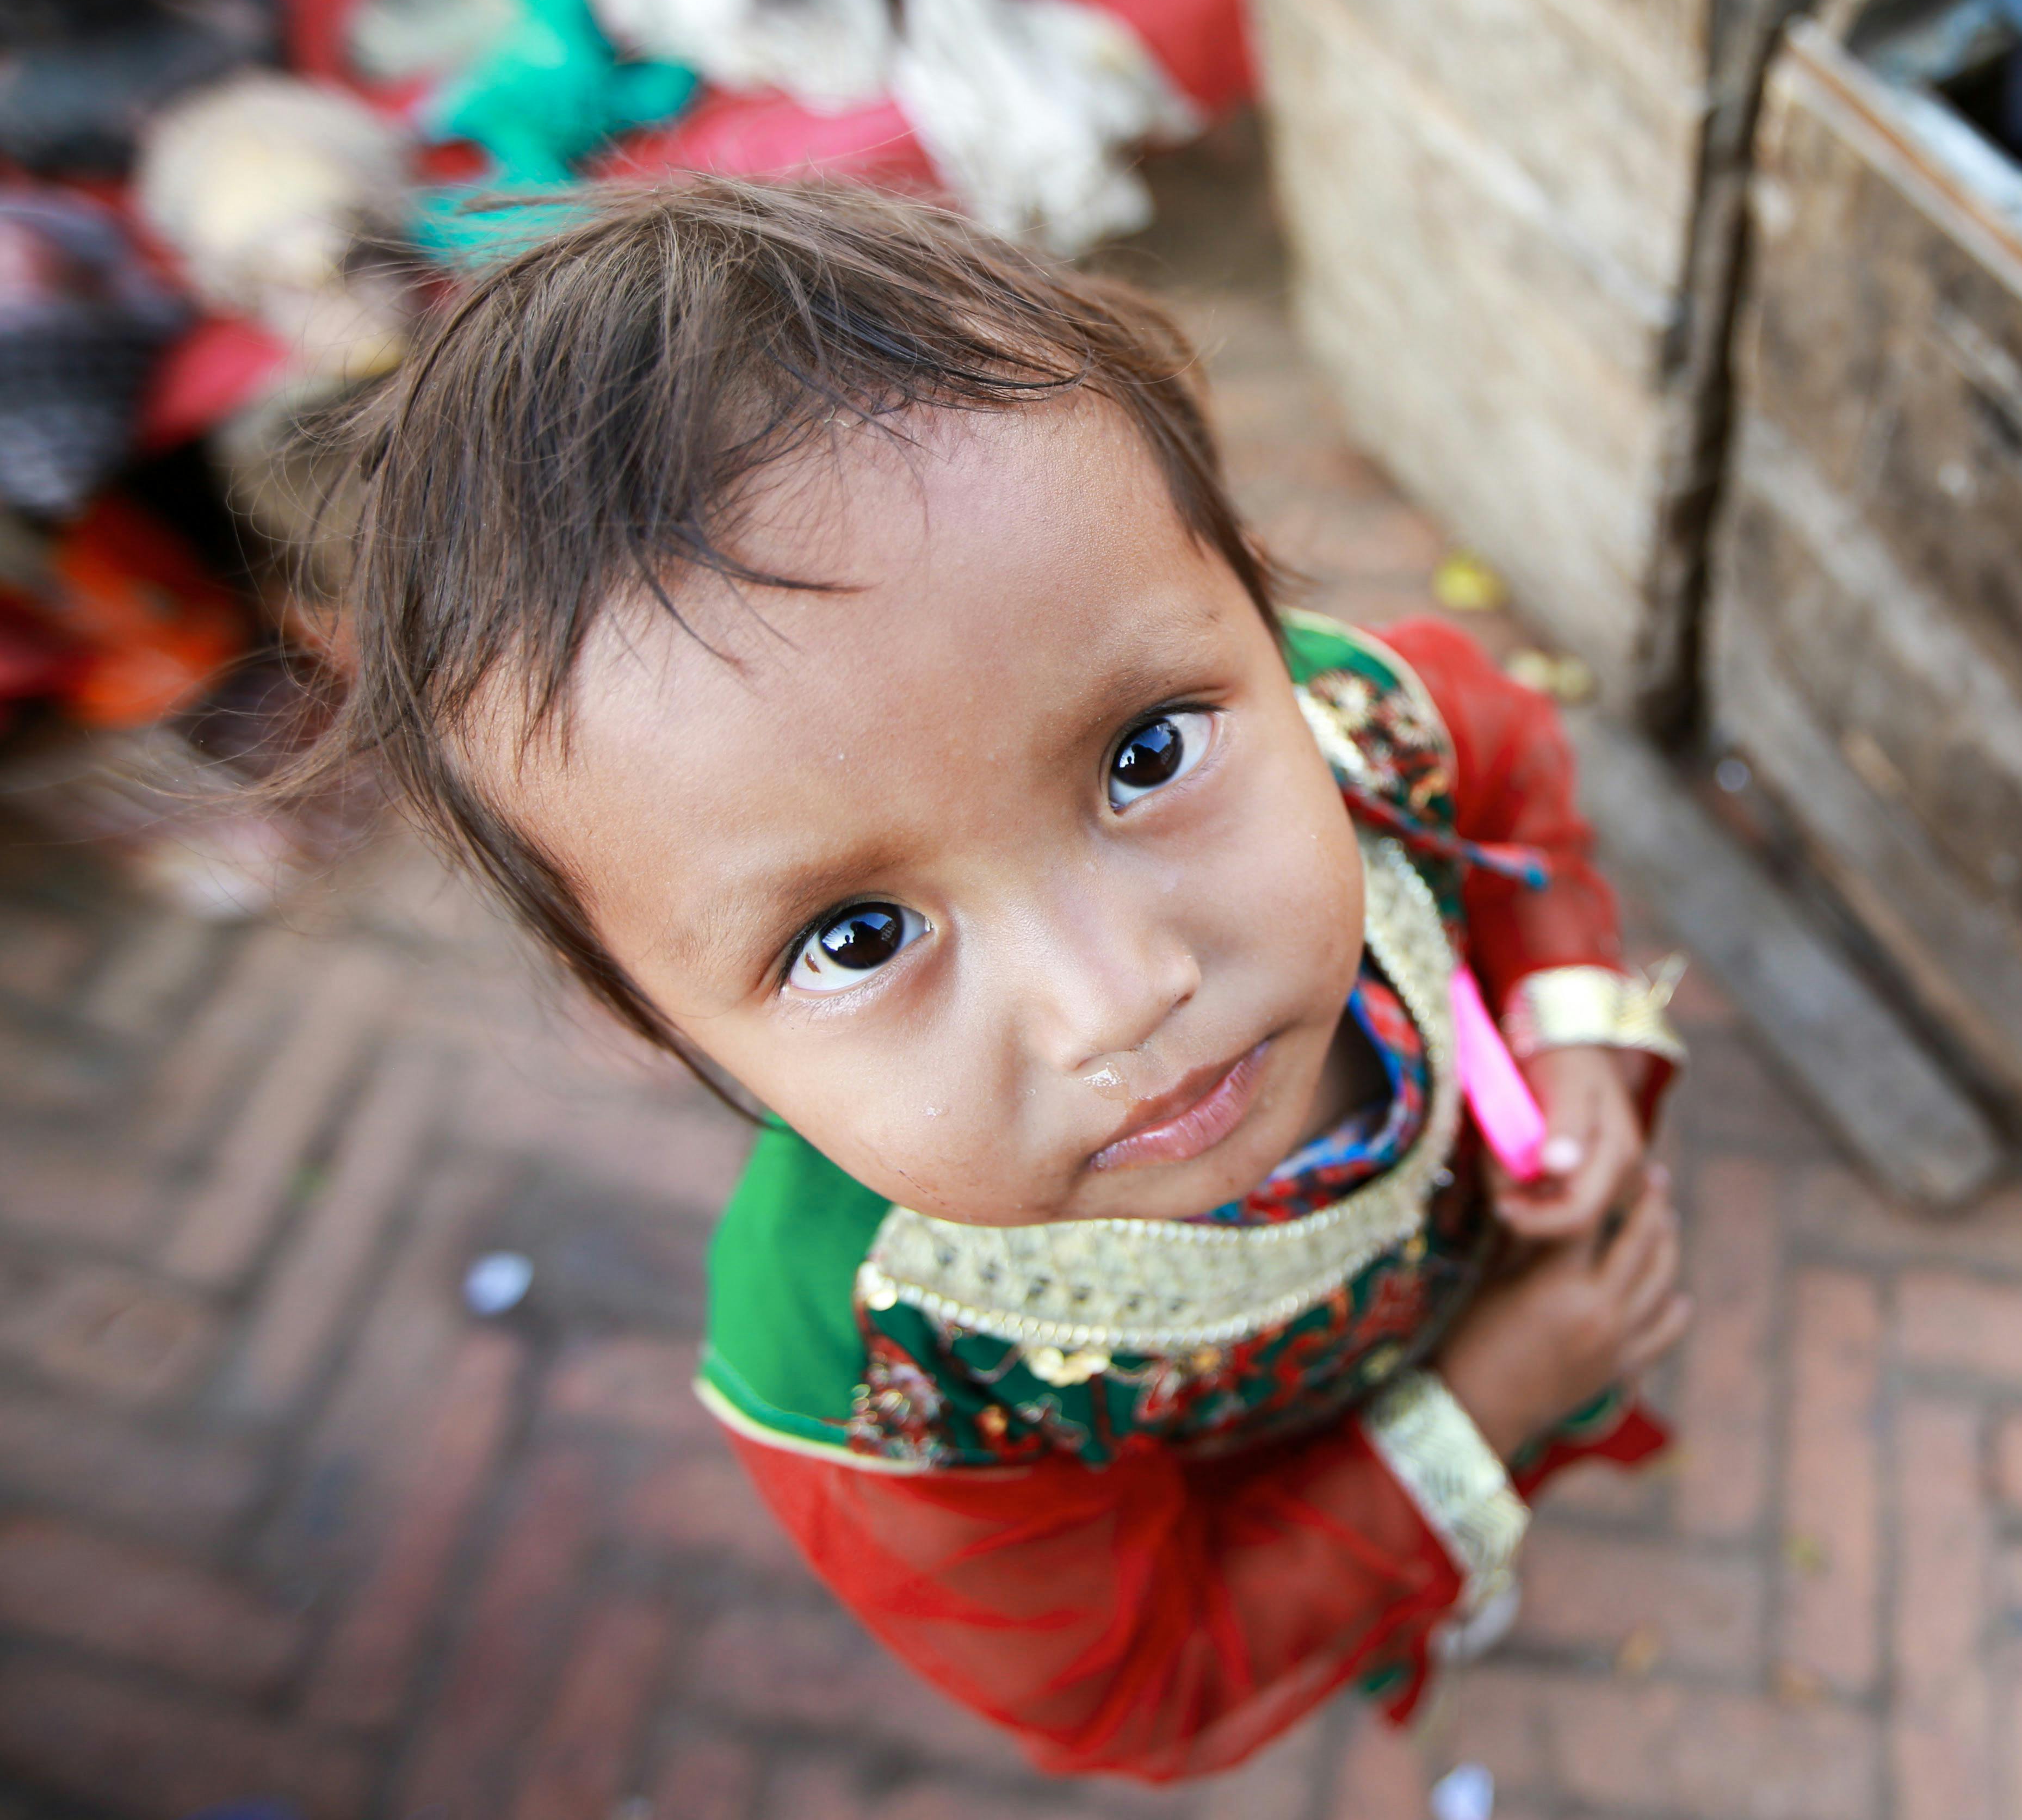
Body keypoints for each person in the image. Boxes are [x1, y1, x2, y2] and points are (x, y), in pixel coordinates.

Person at [304, 176, 1695, 1781]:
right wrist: (1491, 1402)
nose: (1118, 1001)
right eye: (855, 937)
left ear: (1250, 602)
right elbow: (1148, 1675)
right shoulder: (869, 1373)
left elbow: (1509, 791)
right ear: (654, 1019)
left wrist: (1559, 1019)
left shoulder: (1360, 721)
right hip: (1351, 1470)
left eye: (1146, 753)